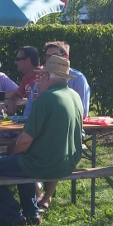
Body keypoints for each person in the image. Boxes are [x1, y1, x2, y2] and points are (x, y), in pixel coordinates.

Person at [0, 55, 83, 226]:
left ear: (48, 76)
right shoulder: (75, 96)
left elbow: (25, 141)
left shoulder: (46, 98)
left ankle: (14, 215)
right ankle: (32, 212)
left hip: (42, 165)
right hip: (68, 164)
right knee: (20, 160)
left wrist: (12, 150)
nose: (38, 79)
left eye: (41, 75)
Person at [36, 41, 91, 210]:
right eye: (47, 57)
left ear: (66, 57)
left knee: (56, 144)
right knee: (26, 142)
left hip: (71, 128)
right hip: (43, 126)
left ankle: (47, 196)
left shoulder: (78, 79)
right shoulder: (42, 76)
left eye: (53, 56)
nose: (49, 60)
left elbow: (82, 114)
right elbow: (32, 106)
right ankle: (37, 192)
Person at [7, 46, 41, 116]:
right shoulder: (26, 78)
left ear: (27, 61)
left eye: (18, 59)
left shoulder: (43, 77)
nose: (15, 62)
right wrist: (12, 101)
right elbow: (18, 95)